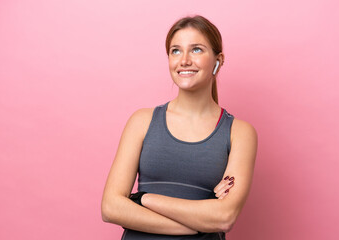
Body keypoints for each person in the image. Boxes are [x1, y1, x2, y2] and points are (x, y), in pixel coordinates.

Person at [101, 15, 257, 239]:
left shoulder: (240, 133)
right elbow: (111, 207)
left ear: (218, 61)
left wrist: (143, 198)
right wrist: (195, 225)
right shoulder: (142, 121)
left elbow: (224, 217)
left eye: (196, 50)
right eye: (175, 51)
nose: (184, 60)